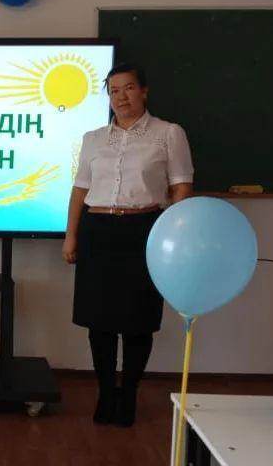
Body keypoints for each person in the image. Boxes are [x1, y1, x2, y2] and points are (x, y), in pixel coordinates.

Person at [63, 63, 194, 427]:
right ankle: (107, 393)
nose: (121, 97)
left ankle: (129, 393)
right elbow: (80, 190)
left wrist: (174, 237)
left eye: (129, 88)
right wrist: (72, 235)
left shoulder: (168, 133)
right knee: (99, 321)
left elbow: (181, 188)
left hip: (144, 229)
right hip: (98, 230)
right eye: (114, 90)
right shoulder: (93, 138)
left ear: (144, 91)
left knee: (138, 320)